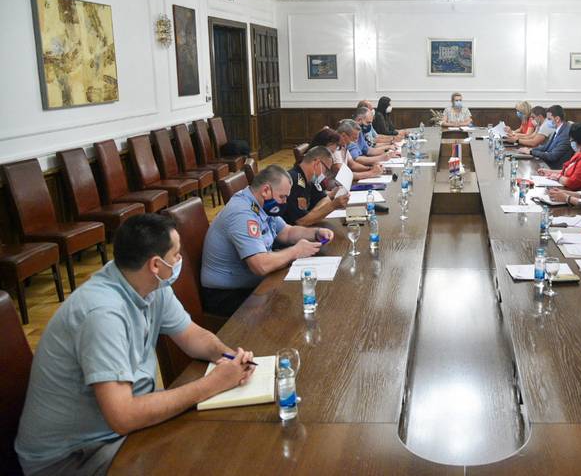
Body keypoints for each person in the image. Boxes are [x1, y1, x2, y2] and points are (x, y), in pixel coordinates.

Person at [15, 214, 256, 476]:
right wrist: (212, 384)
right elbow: (123, 416)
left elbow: (192, 336)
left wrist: (229, 357)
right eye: (176, 254)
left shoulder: (148, 284)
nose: (180, 260)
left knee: (215, 443)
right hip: (75, 456)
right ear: (156, 264)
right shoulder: (103, 314)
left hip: (114, 430)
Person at [200, 165, 333, 316]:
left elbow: (287, 232)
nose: (284, 202)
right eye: (282, 197)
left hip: (251, 283)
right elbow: (260, 265)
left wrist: (316, 233)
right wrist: (296, 251)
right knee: (292, 307)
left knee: (300, 294)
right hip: (226, 294)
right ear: (265, 190)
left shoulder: (262, 203)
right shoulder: (242, 214)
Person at [280, 146, 348, 226]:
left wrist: (312, 215)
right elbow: (301, 221)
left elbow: (324, 199)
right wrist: (333, 206)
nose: (325, 175)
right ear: (317, 163)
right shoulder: (294, 181)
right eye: (326, 170)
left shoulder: (311, 178)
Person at [536, 122, 581, 191]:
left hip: (574, 193)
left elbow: (572, 183)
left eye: (572, 140)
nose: (571, 143)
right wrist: (549, 172)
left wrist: (557, 177)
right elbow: (567, 171)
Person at [520, 104, 573, 170]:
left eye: (549, 119)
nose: (547, 122)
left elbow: (552, 156)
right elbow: (546, 147)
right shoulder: (559, 129)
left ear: (557, 119)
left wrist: (531, 152)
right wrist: (530, 150)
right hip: (548, 164)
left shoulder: (565, 134)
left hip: (555, 168)